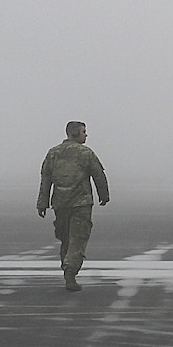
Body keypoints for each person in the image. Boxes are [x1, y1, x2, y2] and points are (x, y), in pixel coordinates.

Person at [36, 121, 110, 292]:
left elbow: (45, 179)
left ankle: (67, 269)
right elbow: (98, 175)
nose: (86, 135)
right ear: (75, 133)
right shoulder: (86, 153)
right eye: (84, 131)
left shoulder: (53, 153)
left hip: (60, 204)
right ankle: (70, 272)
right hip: (81, 204)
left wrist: (42, 202)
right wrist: (104, 195)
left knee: (66, 240)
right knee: (77, 239)